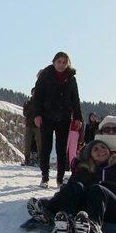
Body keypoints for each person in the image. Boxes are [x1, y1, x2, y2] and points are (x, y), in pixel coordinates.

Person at [31, 52, 83, 188]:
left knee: (61, 149)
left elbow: (75, 99)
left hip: (64, 117)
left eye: (64, 62)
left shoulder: (71, 78)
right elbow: (37, 97)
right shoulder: (45, 75)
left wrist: (78, 117)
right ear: (54, 62)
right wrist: (36, 115)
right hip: (46, 116)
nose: (61, 65)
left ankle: (60, 179)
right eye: (59, 62)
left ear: (68, 64)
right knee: (46, 147)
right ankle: (45, 177)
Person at [21, 87, 42, 167]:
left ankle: (40, 161)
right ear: (31, 93)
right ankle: (27, 160)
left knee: (39, 144)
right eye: (33, 92)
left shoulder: (41, 102)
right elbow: (25, 113)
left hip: (38, 126)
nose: (35, 93)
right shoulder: (28, 102)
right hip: (29, 125)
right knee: (27, 143)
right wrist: (31, 106)